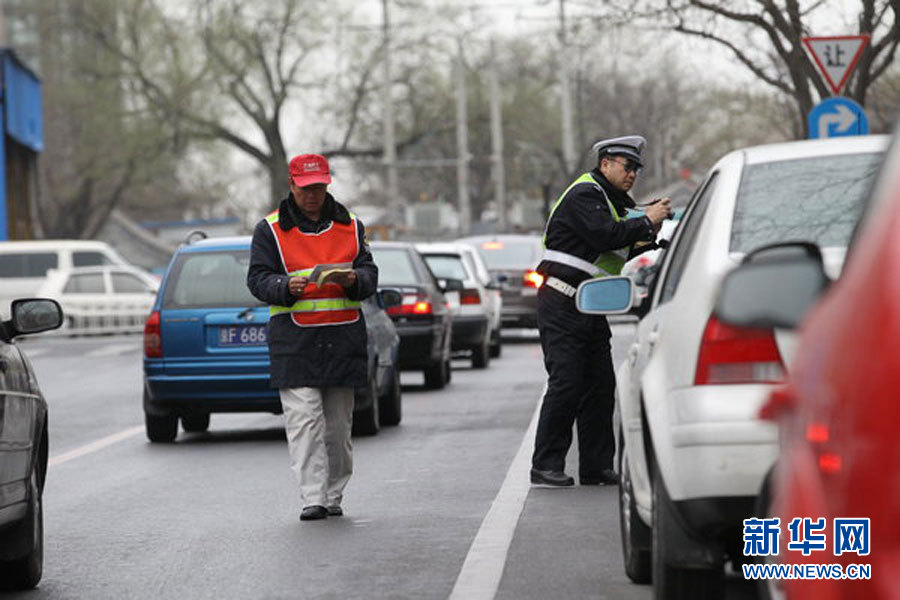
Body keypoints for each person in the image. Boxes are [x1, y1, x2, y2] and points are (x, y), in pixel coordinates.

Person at [531, 135, 672, 487]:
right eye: (628, 167)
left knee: (599, 385)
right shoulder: (585, 194)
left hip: (588, 303)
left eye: (636, 170)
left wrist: (650, 227)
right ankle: (545, 464)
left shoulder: (610, 199)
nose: (632, 175)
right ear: (606, 162)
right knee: (566, 383)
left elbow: (622, 237)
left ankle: (596, 466)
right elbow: (604, 234)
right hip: (562, 300)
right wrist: (645, 221)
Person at [247, 153, 378, 520]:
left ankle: (334, 495)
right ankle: (312, 498)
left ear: (327, 185)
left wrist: (356, 280)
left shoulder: (351, 226)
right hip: (295, 343)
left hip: (342, 340)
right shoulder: (269, 230)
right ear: (291, 185)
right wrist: (284, 285)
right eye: (306, 188)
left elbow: (369, 272)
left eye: (319, 187)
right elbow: (257, 279)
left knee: (338, 428)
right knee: (304, 421)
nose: (312, 195)